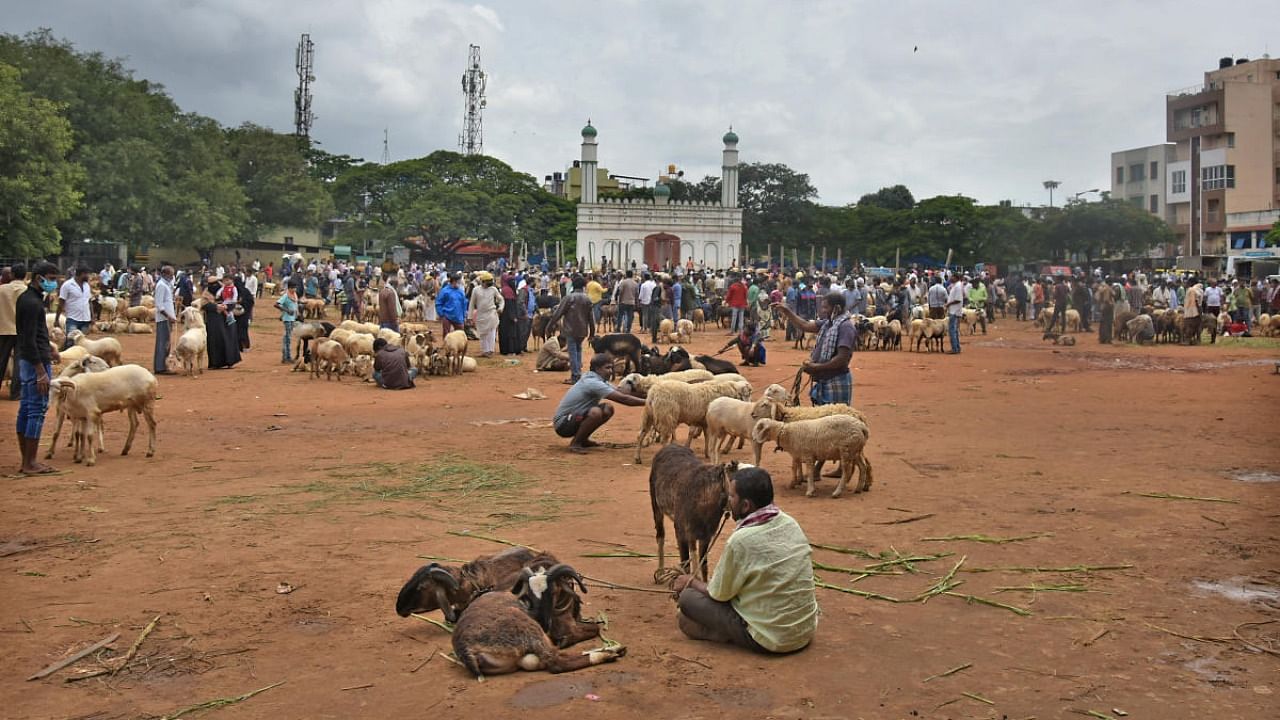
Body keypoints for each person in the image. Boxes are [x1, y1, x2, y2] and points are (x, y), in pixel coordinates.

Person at [672, 466, 817, 654]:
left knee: (688, 600)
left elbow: (719, 594)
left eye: (732, 497)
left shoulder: (740, 541)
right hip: (803, 631)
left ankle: (730, 634)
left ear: (746, 505)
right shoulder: (791, 523)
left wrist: (689, 582)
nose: (728, 501)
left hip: (772, 639)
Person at [14, 262, 61, 474]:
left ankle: (27, 459)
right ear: (39, 277)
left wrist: (50, 346)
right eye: (50, 278)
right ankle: (30, 462)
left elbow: (30, 335)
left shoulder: (27, 298)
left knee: (26, 407)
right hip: (35, 363)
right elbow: (30, 339)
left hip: (28, 359)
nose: (53, 282)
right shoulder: (33, 304)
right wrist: (41, 371)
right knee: (37, 410)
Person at [774, 291, 856, 405]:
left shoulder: (846, 327)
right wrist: (787, 312)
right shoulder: (828, 323)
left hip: (835, 380)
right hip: (825, 381)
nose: (823, 311)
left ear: (836, 308)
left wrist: (817, 367)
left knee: (834, 418)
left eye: (826, 307)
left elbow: (841, 359)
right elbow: (804, 325)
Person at [551, 353, 644, 453]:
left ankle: (583, 439)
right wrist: (651, 402)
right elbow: (624, 399)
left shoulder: (599, 380)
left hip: (574, 418)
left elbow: (622, 392)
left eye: (611, 368)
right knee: (595, 413)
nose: (611, 371)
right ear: (597, 368)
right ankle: (575, 443)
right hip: (563, 425)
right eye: (607, 368)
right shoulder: (592, 383)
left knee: (608, 408)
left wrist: (652, 394)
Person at [546, 275, 595, 384]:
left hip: (570, 330)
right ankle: (578, 374)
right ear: (583, 286)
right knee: (578, 351)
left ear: (573, 285)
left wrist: (549, 326)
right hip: (582, 331)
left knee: (572, 352)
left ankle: (575, 376)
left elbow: (558, 314)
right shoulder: (587, 299)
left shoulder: (569, 298)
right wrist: (592, 333)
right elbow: (591, 319)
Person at [201, 276, 241, 369]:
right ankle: (215, 363)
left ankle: (230, 361)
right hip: (213, 321)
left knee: (229, 339)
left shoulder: (226, 289)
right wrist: (215, 307)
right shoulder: (206, 294)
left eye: (215, 283)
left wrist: (226, 307)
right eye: (211, 284)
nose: (214, 286)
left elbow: (233, 301)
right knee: (215, 341)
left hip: (227, 319)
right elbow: (204, 305)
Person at [0, 265, 27, 401]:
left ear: (12, 275)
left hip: (3, 329)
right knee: (19, 361)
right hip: (21, 330)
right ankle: (15, 392)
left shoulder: (1, 290)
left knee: (1, 359)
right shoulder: (27, 290)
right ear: (25, 275)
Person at [55, 266, 94, 348]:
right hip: (73, 319)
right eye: (87, 274)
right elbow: (61, 302)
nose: (89, 276)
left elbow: (89, 301)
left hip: (85, 319)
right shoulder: (67, 285)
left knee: (82, 343)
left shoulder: (87, 285)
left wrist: (92, 317)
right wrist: (56, 319)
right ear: (82, 274)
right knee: (70, 342)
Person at [469, 271, 504, 357]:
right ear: (482, 282)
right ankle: (485, 351)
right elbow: (472, 304)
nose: (488, 284)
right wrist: (469, 317)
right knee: (482, 333)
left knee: (491, 333)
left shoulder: (493, 289)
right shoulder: (476, 290)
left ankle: (490, 351)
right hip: (481, 315)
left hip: (491, 314)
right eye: (487, 282)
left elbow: (501, 300)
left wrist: (500, 308)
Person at [153, 264, 177, 374]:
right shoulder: (161, 285)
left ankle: (164, 365)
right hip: (163, 319)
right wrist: (169, 316)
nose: (172, 277)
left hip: (168, 318)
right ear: (164, 274)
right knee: (162, 343)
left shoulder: (166, 284)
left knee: (167, 342)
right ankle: (160, 367)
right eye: (171, 275)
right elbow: (159, 304)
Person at [277, 281, 299, 364]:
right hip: (287, 319)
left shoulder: (294, 295)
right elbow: (277, 304)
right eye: (293, 288)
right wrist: (287, 310)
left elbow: (295, 306)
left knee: (287, 338)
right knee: (287, 338)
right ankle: (287, 357)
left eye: (295, 287)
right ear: (289, 288)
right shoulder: (286, 296)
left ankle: (286, 357)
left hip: (292, 319)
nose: (294, 289)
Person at [946, 273, 966, 353]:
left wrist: (948, 304)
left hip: (954, 310)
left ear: (956, 278)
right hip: (954, 310)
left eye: (952, 277)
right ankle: (957, 347)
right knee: (955, 330)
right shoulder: (956, 285)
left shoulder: (957, 286)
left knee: (952, 330)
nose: (951, 278)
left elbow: (958, 299)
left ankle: (954, 348)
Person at [1094, 278, 1115, 344]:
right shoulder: (1108, 288)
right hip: (1108, 307)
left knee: (1103, 323)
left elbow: (1097, 297)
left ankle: (1102, 338)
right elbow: (1107, 299)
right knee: (1108, 323)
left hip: (1102, 307)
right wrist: (1110, 303)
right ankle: (1108, 339)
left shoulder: (1102, 288)